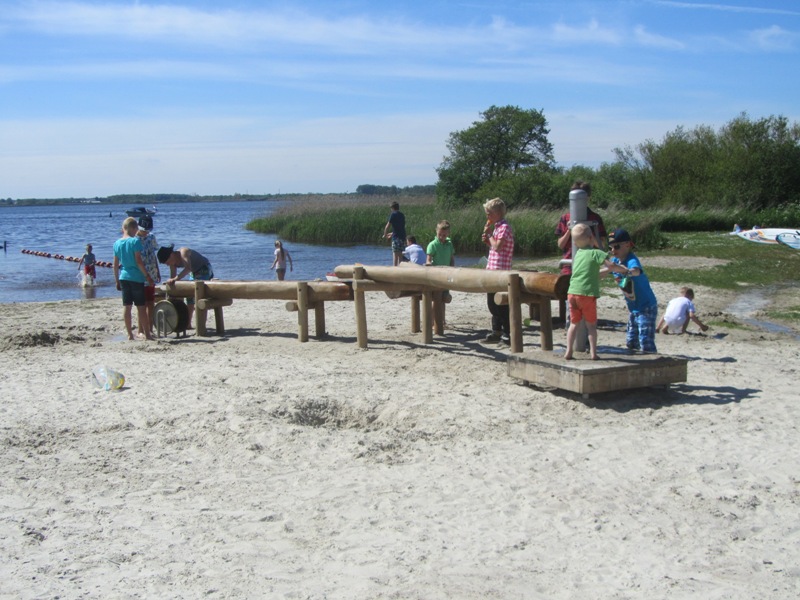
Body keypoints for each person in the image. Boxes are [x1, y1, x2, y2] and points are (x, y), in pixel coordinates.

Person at [564, 224, 629, 360]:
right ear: (591, 237)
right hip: (587, 294)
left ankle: (569, 351)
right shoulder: (596, 253)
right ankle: (593, 353)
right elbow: (610, 265)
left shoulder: (578, 254)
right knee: (591, 325)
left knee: (573, 324)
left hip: (572, 293)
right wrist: (624, 269)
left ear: (575, 242)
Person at [607, 228, 658, 353]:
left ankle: (652, 361)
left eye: (617, 247)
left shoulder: (631, 260)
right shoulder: (614, 261)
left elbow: (636, 270)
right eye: (611, 248)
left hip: (646, 306)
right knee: (631, 341)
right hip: (633, 308)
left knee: (645, 340)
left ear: (627, 245)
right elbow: (607, 269)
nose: (613, 251)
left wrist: (627, 271)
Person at [113, 217, 154, 341]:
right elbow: (138, 261)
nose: (137, 231)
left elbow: (115, 265)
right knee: (141, 306)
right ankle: (147, 334)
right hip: (136, 277)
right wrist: (147, 276)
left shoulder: (117, 243)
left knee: (127, 306)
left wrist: (116, 280)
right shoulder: (134, 242)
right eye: (136, 228)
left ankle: (130, 334)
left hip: (124, 277)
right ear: (132, 228)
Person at [555, 181, 607, 275]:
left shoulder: (595, 219)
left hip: (589, 264)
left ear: (588, 198)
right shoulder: (565, 218)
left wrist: (588, 232)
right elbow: (560, 245)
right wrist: (570, 230)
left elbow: (602, 246)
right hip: (568, 266)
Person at [157, 244, 213, 329]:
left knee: (199, 296)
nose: (168, 265)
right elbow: (173, 277)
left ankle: (201, 326)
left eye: (168, 262)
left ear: (171, 255)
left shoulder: (183, 252)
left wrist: (176, 278)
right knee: (189, 297)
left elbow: (188, 268)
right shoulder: (173, 263)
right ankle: (188, 324)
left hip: (203, 268)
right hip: (194, 272)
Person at [482, 198, 514, 344]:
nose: (487, 216)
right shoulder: (496, 227)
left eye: (489, 213)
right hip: (492, 270)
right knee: (492, 303)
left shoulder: (504, 227)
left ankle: (507, 333)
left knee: (501, 304)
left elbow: (499, 246)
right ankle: (496, 330)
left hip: (501, 271)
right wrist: (488, 240)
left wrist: (490, 236)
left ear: (498, 213)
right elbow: (493, 247)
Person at [136, 216, 160, 337]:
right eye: (144, 230)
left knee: (151, 303)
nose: (146, 232)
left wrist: (157, 271)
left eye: (147, 230)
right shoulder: (134, 240)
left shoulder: (151, 237)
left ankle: (150, 329)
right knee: (142, 304)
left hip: (152, 273)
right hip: (139, 275)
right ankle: (141, 330)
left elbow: (154, 255)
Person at [383, 201, 406, 266]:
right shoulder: (402, 215)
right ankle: (401, 269)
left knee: (395, 255)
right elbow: (400, 228)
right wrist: (391, 234)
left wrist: (385, 234)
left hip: (396, 238)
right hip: (402, 237)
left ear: (393, 208)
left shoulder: (393, 214)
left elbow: (387, 226)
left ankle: (394, 270)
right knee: (400, 255)